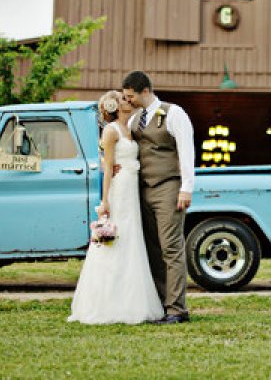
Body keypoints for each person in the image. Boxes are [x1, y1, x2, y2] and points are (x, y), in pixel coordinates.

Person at [68, 90, 164, 324]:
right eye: (123, 99)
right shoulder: (111, 132)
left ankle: (132, 299)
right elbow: (108, 167)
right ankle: (106, 303)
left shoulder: (129, 129)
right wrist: (105, 200)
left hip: (132, 189)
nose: (128, 101)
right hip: (119, 190)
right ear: (114, 106)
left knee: (132, 240)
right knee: (116, 240)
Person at [122, 71, 195, 324]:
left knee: (171, 248)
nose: (128, 101)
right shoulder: (134, 120)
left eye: (131, 96)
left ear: (145, 91)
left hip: (168, 188)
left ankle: (177, 309)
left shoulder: (174, 113)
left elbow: (187, 151)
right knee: (152, 250)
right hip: (143, 190)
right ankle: (163, 304)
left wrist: (186, 188)